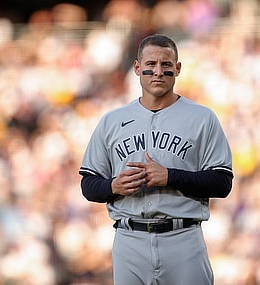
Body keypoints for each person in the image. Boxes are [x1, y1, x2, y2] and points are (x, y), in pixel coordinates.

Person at [79, 34, 233, 285]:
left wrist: (170, 176)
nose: (158, 72)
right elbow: (88, 183)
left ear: (178, 69)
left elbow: (222, 182)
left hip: (183, 238)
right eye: (151, 65)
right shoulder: (112, 121)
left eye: (166, 65)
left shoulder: (202, 118)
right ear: (138, 68)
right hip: (129, 238)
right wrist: (113, 186)